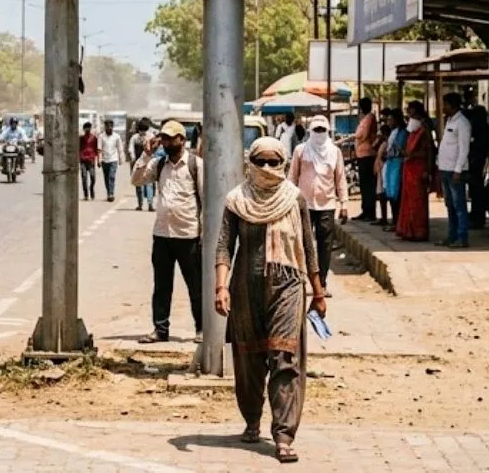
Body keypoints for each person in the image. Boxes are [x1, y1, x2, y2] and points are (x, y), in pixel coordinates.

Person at [216, 137, 327, 465]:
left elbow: (309, 247)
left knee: (284, 358)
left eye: (273, 162)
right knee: (249, 361)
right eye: (260, 162)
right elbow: (224, 245)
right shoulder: (236, 201)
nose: (266, 169)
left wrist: (318, 292)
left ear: (282, 165)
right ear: (250, 163)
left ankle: (283, 436)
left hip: (288, 287)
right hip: (246, 289)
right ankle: (252, 419)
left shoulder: (294, 199)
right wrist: (221, 287)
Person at [131, 120, 204, 343]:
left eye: (171, 138)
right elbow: (136, 180)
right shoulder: (158, 163)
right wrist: (145, 155)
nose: (166, 142)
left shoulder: (195, 165)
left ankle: (201, 329)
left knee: (196, 286)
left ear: (182, 139)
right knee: (162, 286)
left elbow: (205, 198)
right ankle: (160, 329)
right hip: (162, 234)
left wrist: (205, 234)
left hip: (188, 235)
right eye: (163, 137)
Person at [289, 115, 348, 296]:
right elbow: (292, 176)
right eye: (317, 130)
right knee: (302, 244)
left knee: (325, 245)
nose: (320, 133)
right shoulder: (301, 150)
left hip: (327, 204)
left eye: (323, 130)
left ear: (327, 131)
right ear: (310, 131)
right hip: (304, 203)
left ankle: (321, 283)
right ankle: (301, 282)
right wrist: (288, 200)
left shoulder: (334, 152)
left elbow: (340, 178)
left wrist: (344, 203)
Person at [435, 93, 472, 248]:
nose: (443, 108)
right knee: (450, 205)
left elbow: (464, 149)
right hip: (445, 168)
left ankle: (462, 237)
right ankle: (452, 235)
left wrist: (458, 170)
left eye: (445, 104)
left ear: (452, 105)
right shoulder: (450, 121)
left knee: (459, 206)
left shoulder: (462, 123)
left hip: (455, 171)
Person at [396, 101, 435, 242]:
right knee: (407, 201)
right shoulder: (413, 130)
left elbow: (429, 151)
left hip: (418, 168)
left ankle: (418, 232)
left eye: (411, 112)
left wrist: (428, 170)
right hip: (409, 168)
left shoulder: (424, 130)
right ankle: (408, 230)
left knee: (417, 202)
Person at [462, 91, 489, 230]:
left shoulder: (481, 131)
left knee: (476, 189)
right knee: (474, 190)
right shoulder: (479, 128)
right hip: (475, 160)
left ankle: (477, 216)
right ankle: (476, 215)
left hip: (477, 161)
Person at [352, 98, 379, 222]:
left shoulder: (370, 118)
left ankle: (370, 211)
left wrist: (356, 137)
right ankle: (365, 210)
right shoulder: (365, 118)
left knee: (368, 185)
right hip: (361, 154)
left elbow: (364, 135)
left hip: (367, 154)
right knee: (364, 185)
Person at [380, 109, 407, 231]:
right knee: (390, 193)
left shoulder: (402, 133)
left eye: (391, 119)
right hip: (390, 165)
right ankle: (394, 221)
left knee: (396, 194)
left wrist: (388, 154)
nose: (389, 122)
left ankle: (397, 222)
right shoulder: (392, 132)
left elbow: (398, 149)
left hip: (397, 164)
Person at [128, 118, 156, 211]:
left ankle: (150, 204)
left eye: (144, 131)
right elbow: (130, 149)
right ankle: (140, 204)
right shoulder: (134, 138)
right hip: (137, 163)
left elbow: (155, 149)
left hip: (149, 163)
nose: (142, 133)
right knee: (138, 184)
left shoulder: (151, 136)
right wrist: (132, 158)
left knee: (149, 184)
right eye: (141, 131)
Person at [98, 119, 124, 202]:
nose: (109, 128)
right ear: (105, 127)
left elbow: (120, 148)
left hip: (113, 159)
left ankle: (111, 193)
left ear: (112, 127)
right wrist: (99, 160)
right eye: (107, 126)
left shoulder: (117, 136)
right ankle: (108, 192)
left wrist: (121, 158)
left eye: (110, 126)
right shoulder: (101, 136)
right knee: (106, 177)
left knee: (111, 176)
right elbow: (99, 149)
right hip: (104, 160)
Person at [78, 122, 98, 200]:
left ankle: (91, 188)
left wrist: (96, 157)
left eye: (89, 128)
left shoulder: (94, 138)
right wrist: (79, 157)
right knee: (84, 177)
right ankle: (86, 194)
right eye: (86, 128)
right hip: (83, 160)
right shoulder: (81, 138)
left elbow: (97, 148)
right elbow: (79, 148)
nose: (87, 129)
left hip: (91, 160)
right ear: (84, 129)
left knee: (93, 177)